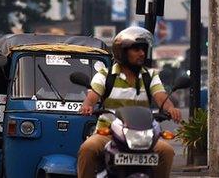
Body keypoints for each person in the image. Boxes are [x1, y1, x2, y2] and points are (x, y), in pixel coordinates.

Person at [76, 27, 180, 178]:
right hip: (109, 132)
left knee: (167, 151)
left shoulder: (149, 76)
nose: (142, 53)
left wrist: (171, 108)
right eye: (136, 49)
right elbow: (93, 95)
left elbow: (161, 97)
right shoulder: (106, 74)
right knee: (88, 148)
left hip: (143, 135)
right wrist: (87, 105)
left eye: (143, 49)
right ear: (122, 52)